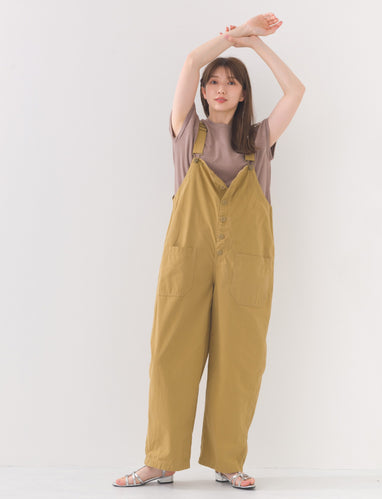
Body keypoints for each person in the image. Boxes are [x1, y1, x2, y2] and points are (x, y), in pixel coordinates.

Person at [113, 12, 305, 490]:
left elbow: (296, 91)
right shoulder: (186, 133)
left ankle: (228, 460)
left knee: (239, 361)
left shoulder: (259, 140)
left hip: (246, 266)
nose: (221, 88)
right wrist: (233, 36)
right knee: (169, 358)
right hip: (187, 259)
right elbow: (189, 61)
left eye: (231, 82)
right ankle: (160, 460)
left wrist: (255, 45)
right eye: (213, 81)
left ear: (242, 93)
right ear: (202, 91)